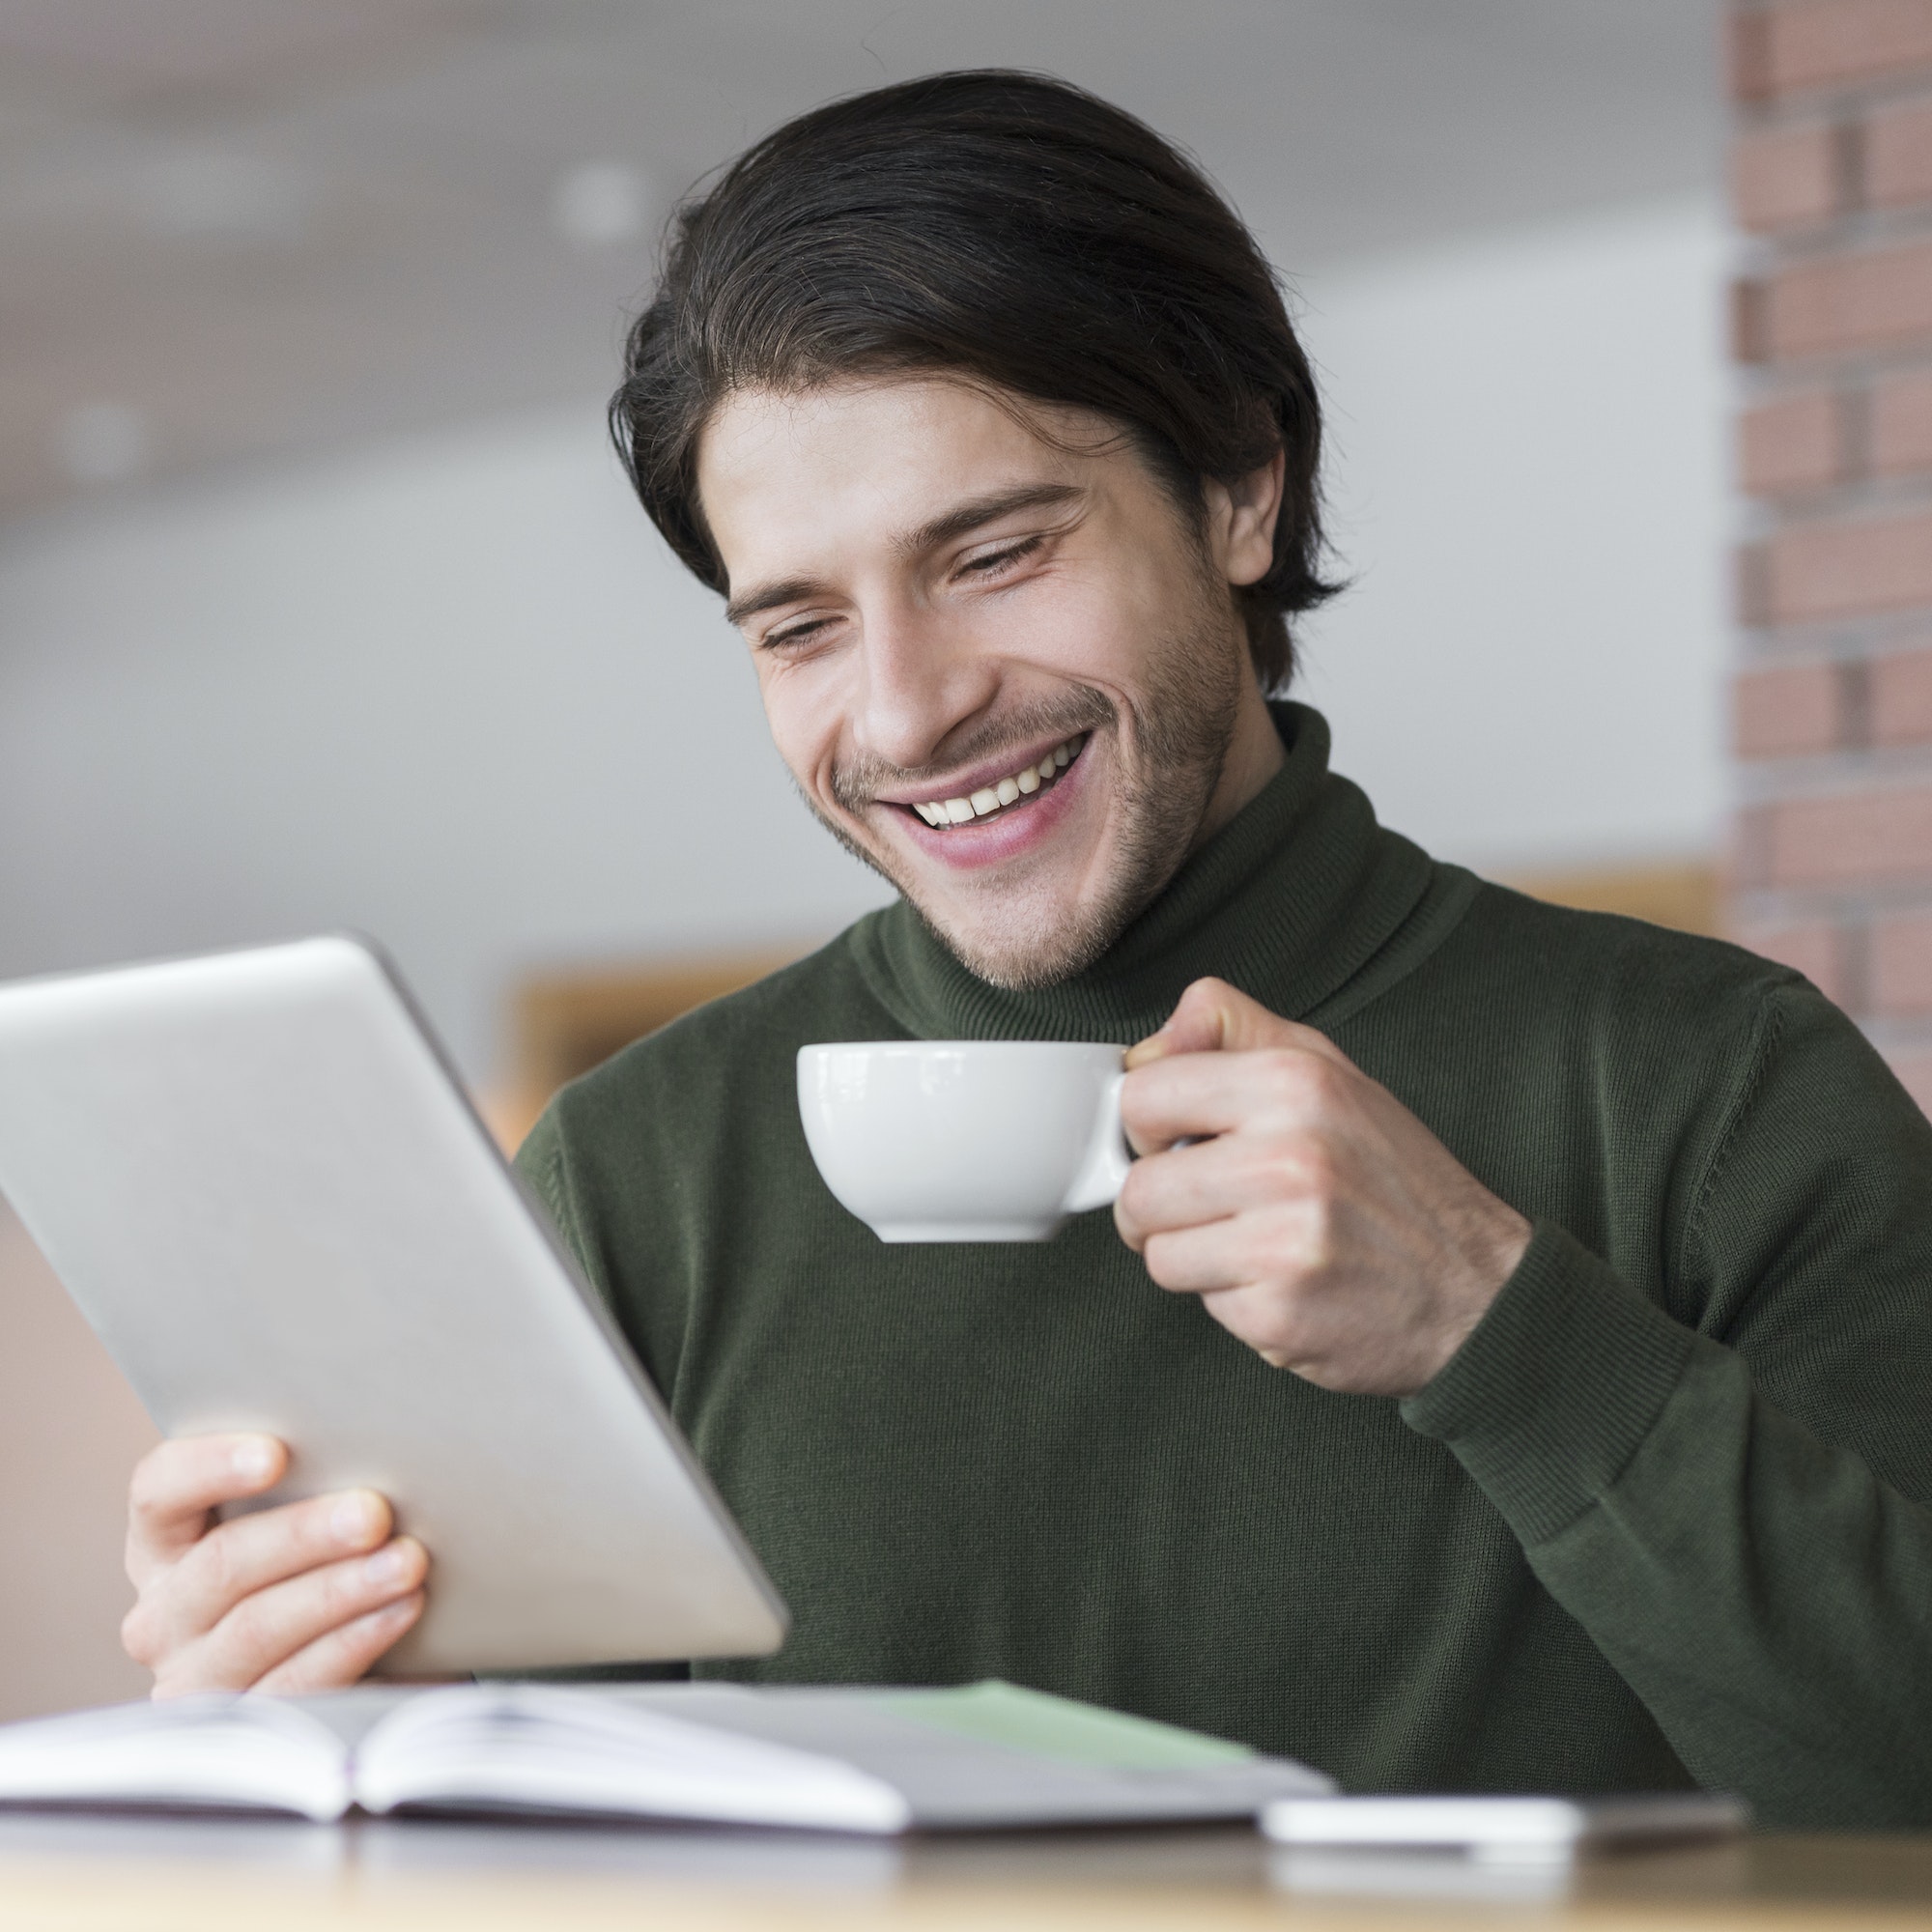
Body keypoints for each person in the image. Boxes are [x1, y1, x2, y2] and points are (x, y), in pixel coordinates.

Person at [118, 71, 1932, 1827]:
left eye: (992, 553)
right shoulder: (639, 1177)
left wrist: (1502, 1332)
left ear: (1239, 491)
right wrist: (330, 1748)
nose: (905, 715)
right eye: (802, 626)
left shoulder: (1713, 1087)